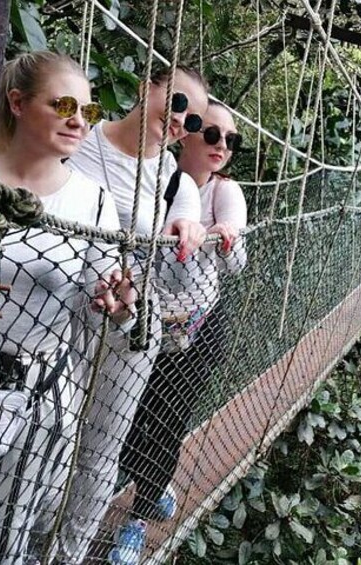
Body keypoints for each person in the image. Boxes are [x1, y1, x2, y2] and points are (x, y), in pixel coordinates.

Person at [0, 51, 133, 563]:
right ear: (17, 102)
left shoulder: (92, 203)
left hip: (40, 391)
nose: (78, 120)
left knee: (4, 540)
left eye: (88, 112)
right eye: (64, 104)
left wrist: (116, 306)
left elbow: (100, 303)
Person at [44, 64, 209, 564]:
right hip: (58, 306)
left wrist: (187, 225)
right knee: (50, 438)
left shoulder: (174, 180)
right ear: (146, 88)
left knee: (99, 451)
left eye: (194, 121)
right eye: (177, 103)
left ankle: (65, 556)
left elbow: (187, 220)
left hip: (130, 326)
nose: (181, 122)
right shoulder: (83, 131)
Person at [117, 99, 247, 562]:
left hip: (198, 330)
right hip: (140, 322)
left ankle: (138, 516)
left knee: (168, 423)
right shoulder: (152, 180)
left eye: (231, 140)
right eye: (212, 134)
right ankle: (148, 477)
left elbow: (237, 262)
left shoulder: (224, 192)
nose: (222, 146)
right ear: (187, 131)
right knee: (130, 420)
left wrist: (223, 235)